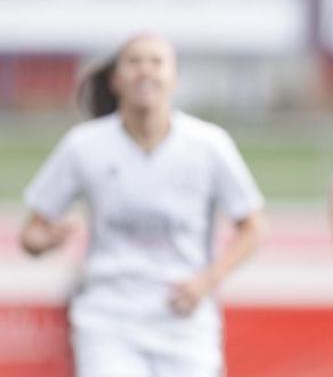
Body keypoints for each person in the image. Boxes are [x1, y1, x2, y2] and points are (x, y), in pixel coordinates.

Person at [19, 34, 265, 377]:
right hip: (107, 317)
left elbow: (252, 228)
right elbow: (31, 233)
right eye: (134, 62)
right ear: (115, 79)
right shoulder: (84, 145)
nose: (145, 71)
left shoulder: (209, 144)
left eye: (156, 62)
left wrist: (207, 281)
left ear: (174, 78)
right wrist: (46, 240)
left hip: (185, 321)